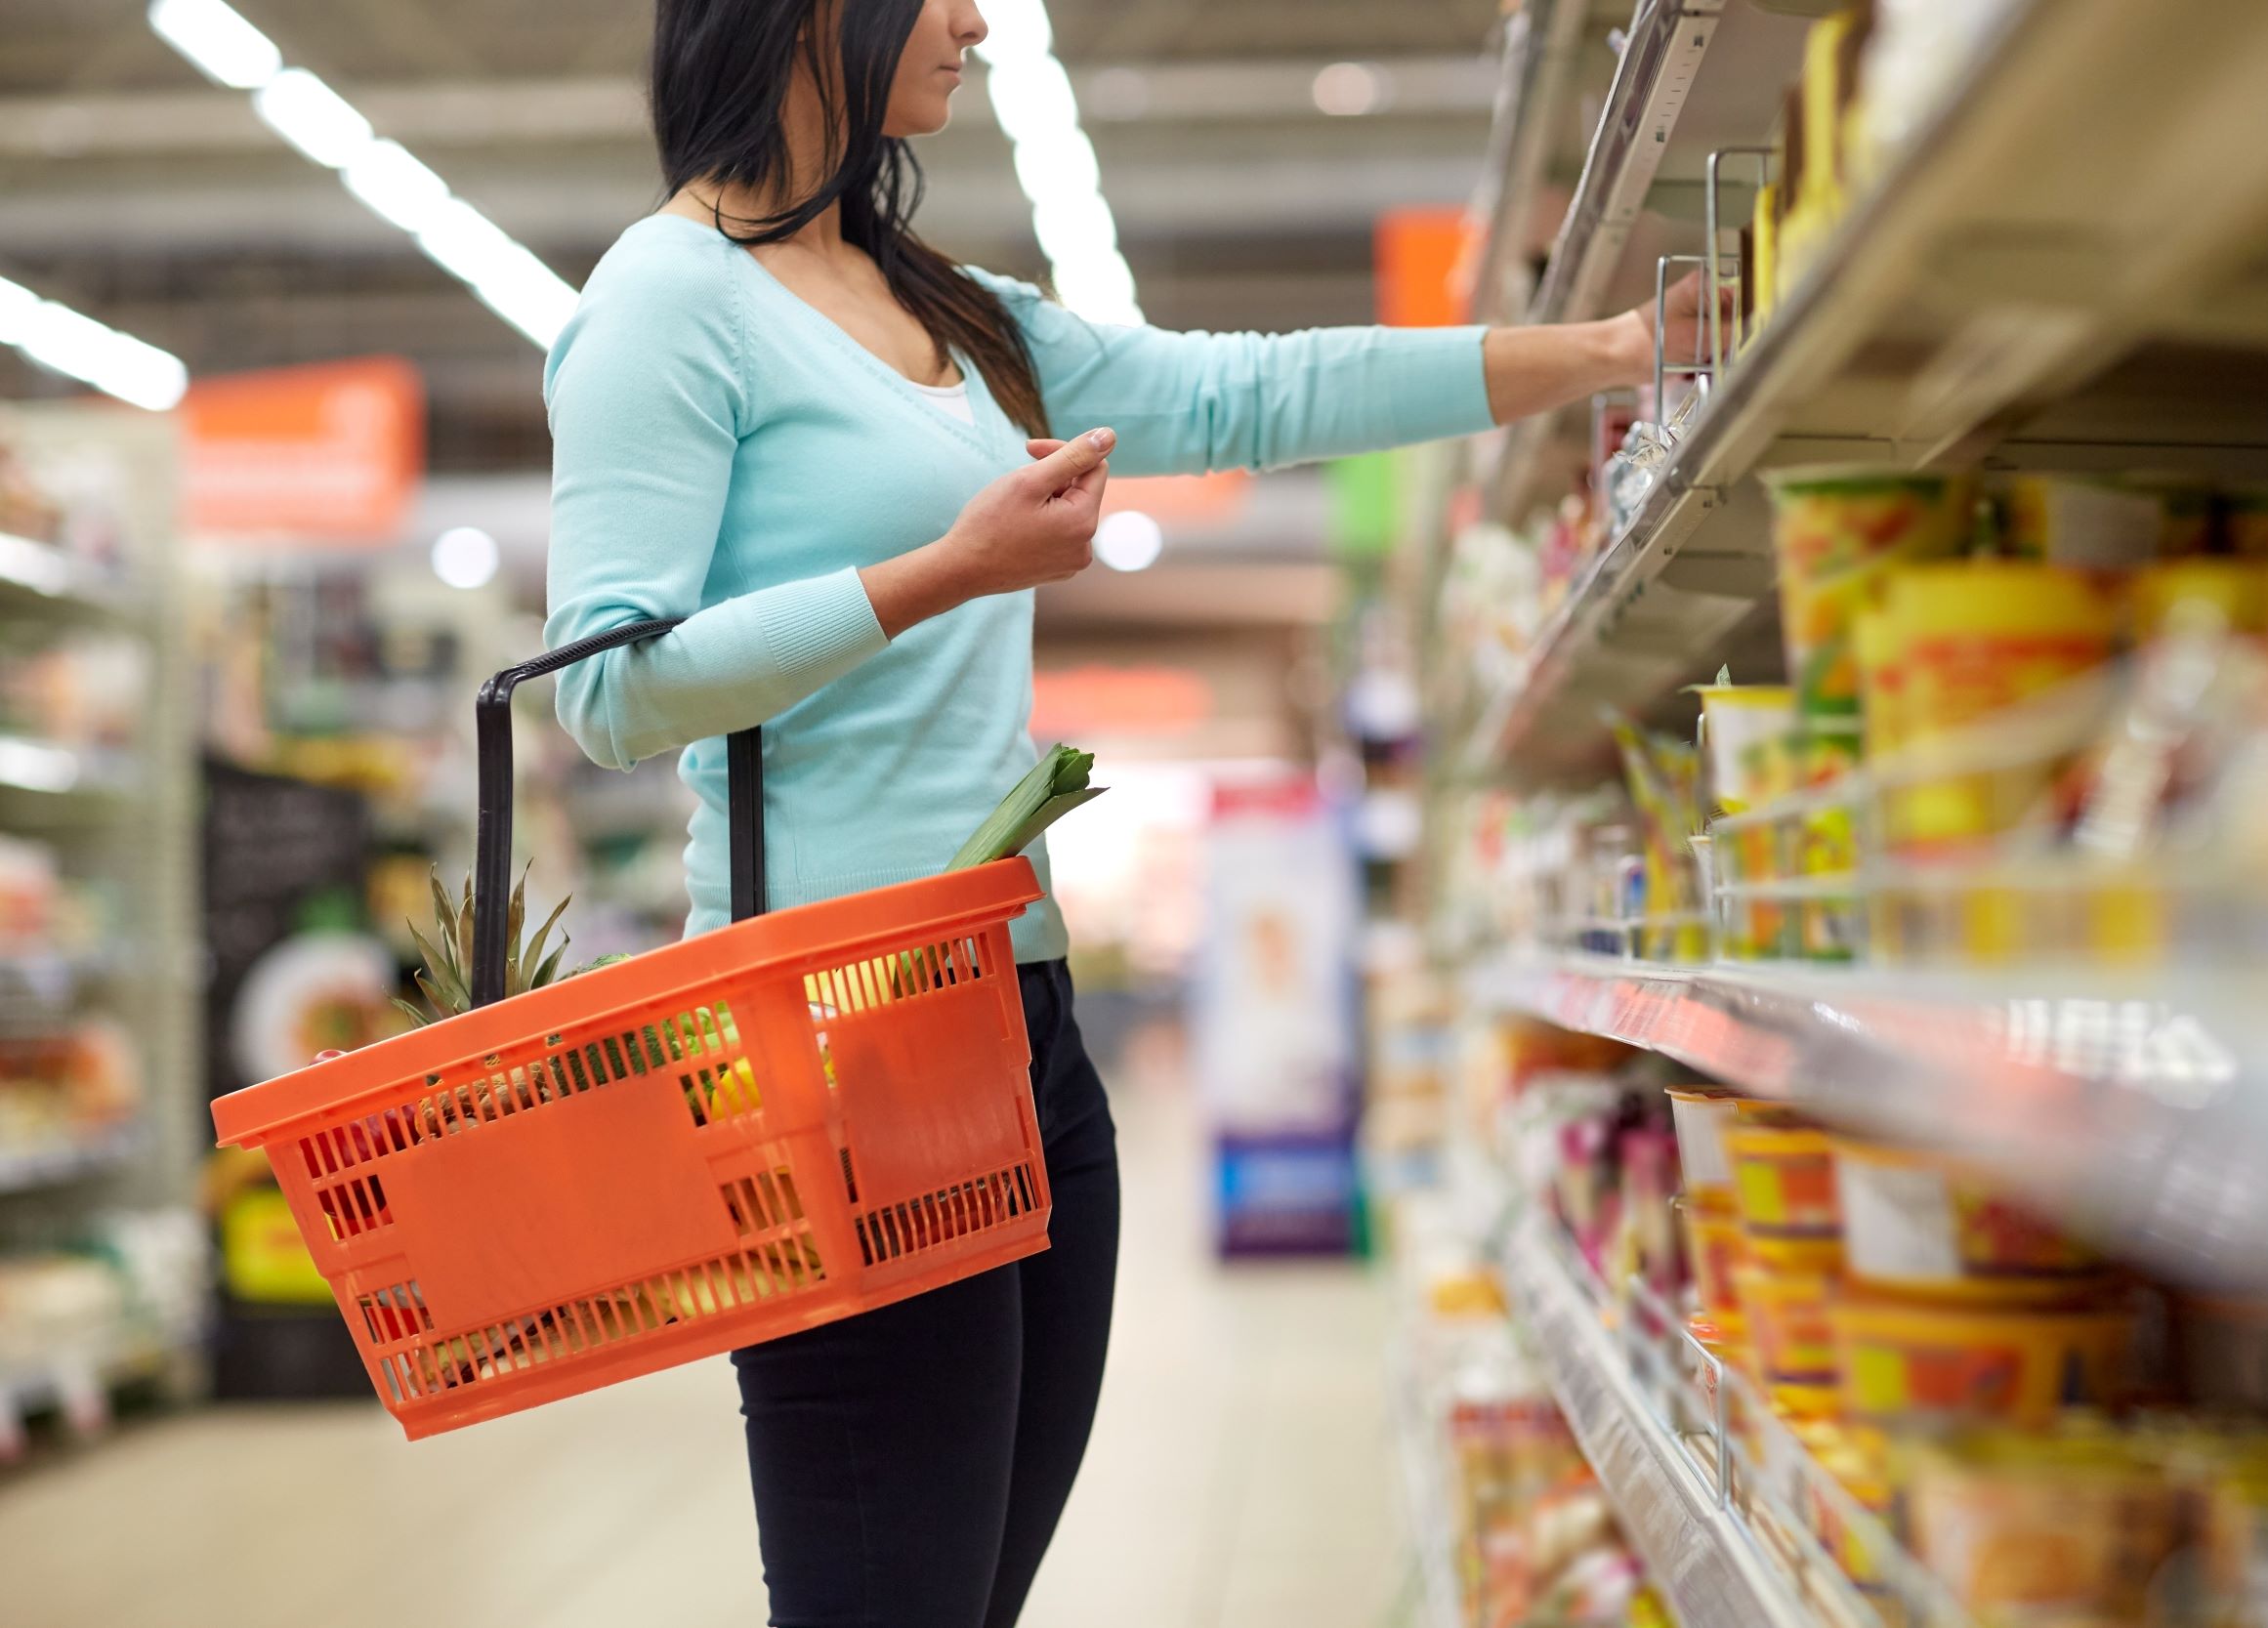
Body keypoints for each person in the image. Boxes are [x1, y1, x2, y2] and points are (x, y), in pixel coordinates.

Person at [543, 3, 1716, 1622]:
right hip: (831, 1045)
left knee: (973, 1591)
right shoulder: (664, 303)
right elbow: (605, 692)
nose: (969, 18)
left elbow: (1248, 396)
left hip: (1018, 1018)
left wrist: (1600, 355)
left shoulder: (936, 303)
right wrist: (947, 570)